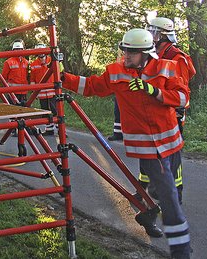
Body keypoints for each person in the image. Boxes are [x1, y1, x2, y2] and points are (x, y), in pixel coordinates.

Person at [63, 28, 191, 258]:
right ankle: (182, 251)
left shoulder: (166, 68)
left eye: (132, 53)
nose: (126, 56)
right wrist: (64, 78)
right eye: (124, 51)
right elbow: (92, 86)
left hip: (171, 143)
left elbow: (183, 97)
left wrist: (155, 91)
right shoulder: (116, 72)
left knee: (161, 191)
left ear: (146, 53)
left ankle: (148, 214)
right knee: (169, 197)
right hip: (149, 149)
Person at [140, 17, 195, 204]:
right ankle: (143, 188)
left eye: (154, 32)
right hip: (153, 114)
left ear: (163, 35)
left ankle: (175, 193)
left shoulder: (176, 58)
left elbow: (180, 91)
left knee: (172, 155)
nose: (152, 36)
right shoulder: (156, 54)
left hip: (172, 114)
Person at [29, 43, 57, 135]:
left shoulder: (52, 61)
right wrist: (34, 92)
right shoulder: (33, 64)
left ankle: (61, 130)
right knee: (45, 111)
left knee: (55, 110)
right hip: (41, 92)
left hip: (52, 90)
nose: (41, 54)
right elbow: (32, 79)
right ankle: (49, 130)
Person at [2, 40, 29, 104]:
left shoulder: (26, 62)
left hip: (24, 92)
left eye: (20, 49)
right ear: (13, 50)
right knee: (13, 110)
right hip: (12, 92)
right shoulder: (8, 62)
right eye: (17, 49)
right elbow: (3, 77)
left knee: (24, 111)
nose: (18, 51)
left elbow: (28, 76)